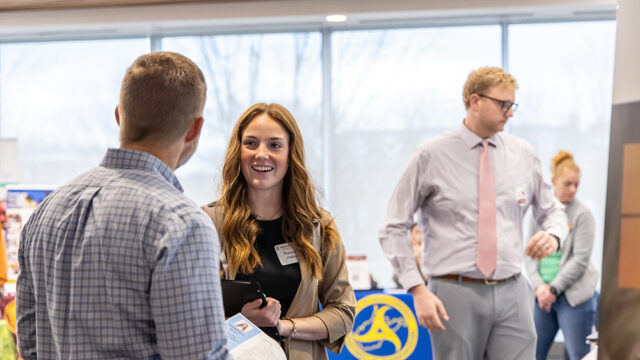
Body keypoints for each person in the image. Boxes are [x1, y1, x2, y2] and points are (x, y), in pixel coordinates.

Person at [16, 52, 229, 359]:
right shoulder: (181, 223)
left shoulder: (46, 211)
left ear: (119, 115)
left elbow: (29, 344)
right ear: (194, 129)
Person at [379, 66, 569, 360]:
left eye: (513, 105)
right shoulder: (431, 155)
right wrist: (417, 289)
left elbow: (553, 210)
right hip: (453, 290)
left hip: (513, 288)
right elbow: (393, 226)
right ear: (474, 101)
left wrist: (554, 236)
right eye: (503, 104)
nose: (510, 113)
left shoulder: (523, 154)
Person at [202, 103, 355, 360]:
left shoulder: (319, 226)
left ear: (290, 154)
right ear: (237, 152)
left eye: (275, 145)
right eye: (251, 143)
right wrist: (241, 323)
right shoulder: (209, 222)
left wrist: (283, 326)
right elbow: (188, 312)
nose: (261, 153)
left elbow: (343, 311)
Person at [526, 150, 598, 360]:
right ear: (554, 181)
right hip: (542, 298)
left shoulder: (583, 215)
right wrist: (539, 287)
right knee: (533, 353)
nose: (573, 189)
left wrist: (553, 288)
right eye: (567, 184)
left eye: (576, 185)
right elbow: (528, 253)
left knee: (579, 356)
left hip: (573, 298)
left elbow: (580, 260)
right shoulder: (538, 213)